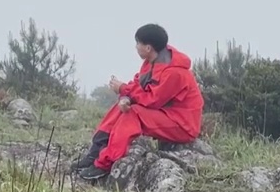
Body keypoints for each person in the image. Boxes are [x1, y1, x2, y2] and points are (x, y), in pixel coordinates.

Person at [71, 23, 204, 181]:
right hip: (166, 115)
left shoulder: (174, 73)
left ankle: (104, 164)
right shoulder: (152, 61)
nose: (136, 47)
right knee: (121, 108)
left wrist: (123, 89)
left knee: (132, 113)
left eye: (138, 43)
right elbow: (137, 85)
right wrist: (125, 97)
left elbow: (152, 101)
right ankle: (95, 153)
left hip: (182, 125)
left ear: (148, 48)